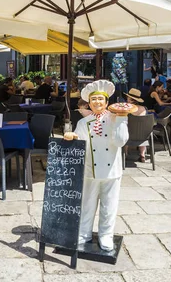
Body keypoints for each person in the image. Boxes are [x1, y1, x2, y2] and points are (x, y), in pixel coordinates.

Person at [63, 80, 129, 251]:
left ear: (107, 102)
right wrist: (72, 137)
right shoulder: (84, 123)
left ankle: (106, 236)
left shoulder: (116, 118)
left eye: (101, 99)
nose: (97, 102)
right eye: (94, 100)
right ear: (89, 103)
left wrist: (122, 119)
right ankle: (84, 233)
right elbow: (80, 143)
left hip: (111, 170)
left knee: (109, 205)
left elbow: (121, 142)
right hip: (89, 170)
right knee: (87, 204)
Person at [123, 88, 149, 163]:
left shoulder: (126, 109)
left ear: (129, 99)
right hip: (143, 135)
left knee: (125, 129)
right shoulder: (144, 109)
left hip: (129, 135)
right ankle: (142, 155)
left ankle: (125, 153)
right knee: (142, 132)